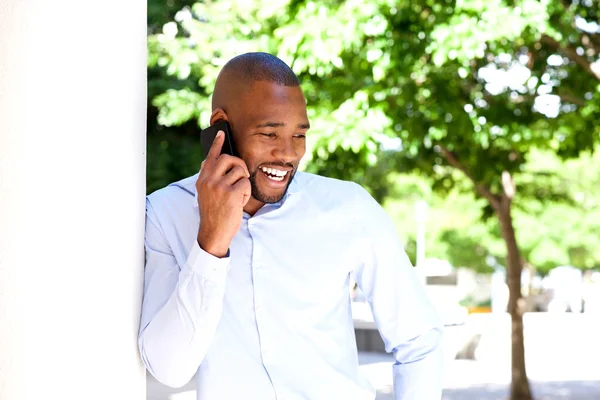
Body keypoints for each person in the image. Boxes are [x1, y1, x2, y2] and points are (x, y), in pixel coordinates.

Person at [138, 52, 444, 400]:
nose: (288, 154)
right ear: (221, 126)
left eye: (299, 135)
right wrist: (211, 243)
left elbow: (419, 340)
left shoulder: (349, 209)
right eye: (269, 133)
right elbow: (168, 368)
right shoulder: (164, 215)